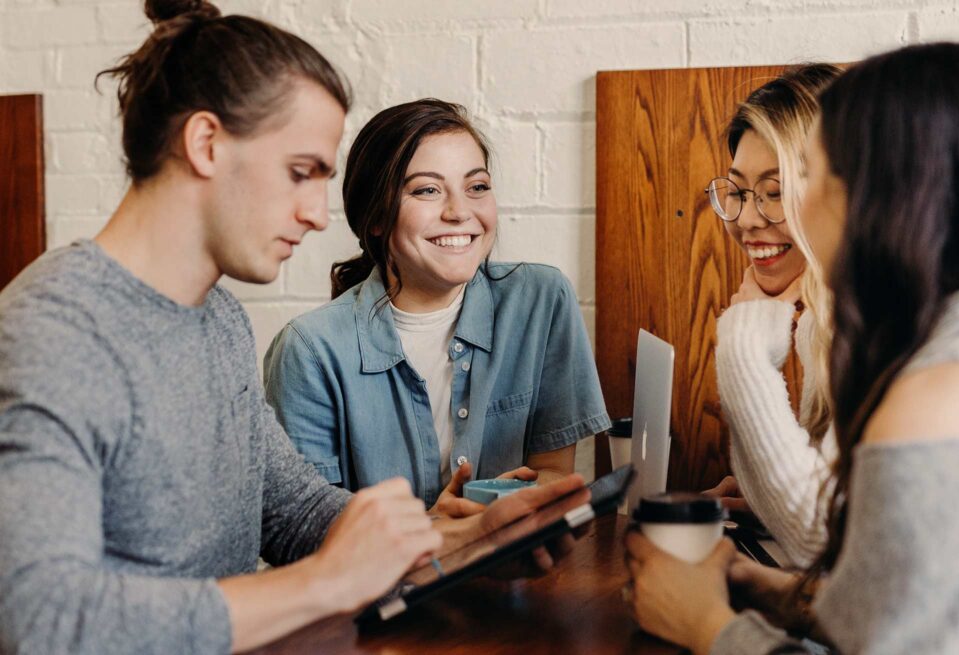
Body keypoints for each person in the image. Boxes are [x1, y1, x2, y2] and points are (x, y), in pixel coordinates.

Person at [0, 2, 585, 653]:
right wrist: (325, 582)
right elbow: (40, 619)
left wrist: (465, 542)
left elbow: (294, 512)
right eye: (300, 173)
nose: (316, 214)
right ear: (205, 144)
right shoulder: (53, 331)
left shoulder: (219, 319)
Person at [626, 42, 959, 653]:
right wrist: (772, 592)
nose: (761, 215)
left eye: (812, 175)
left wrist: (706, 625)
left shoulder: (942, 391)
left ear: (882, 194)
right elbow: (910, 606)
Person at [263, 98, 611, 514]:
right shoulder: (308, 350)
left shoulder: (542, 301)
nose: (460, 212)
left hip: (515, 555)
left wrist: (502, 511)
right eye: (427, 190)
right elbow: (306, 526)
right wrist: (438, 530)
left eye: (476, 187)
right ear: (376, 217)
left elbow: (553, 472)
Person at [703, 64, 841, 567]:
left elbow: (819, 538)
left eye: (776, 192)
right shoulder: (824, 321)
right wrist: (767, 498)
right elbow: (835, 518)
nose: (746, 219)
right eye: (737, 192)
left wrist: (743, 347)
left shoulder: (886, 324)